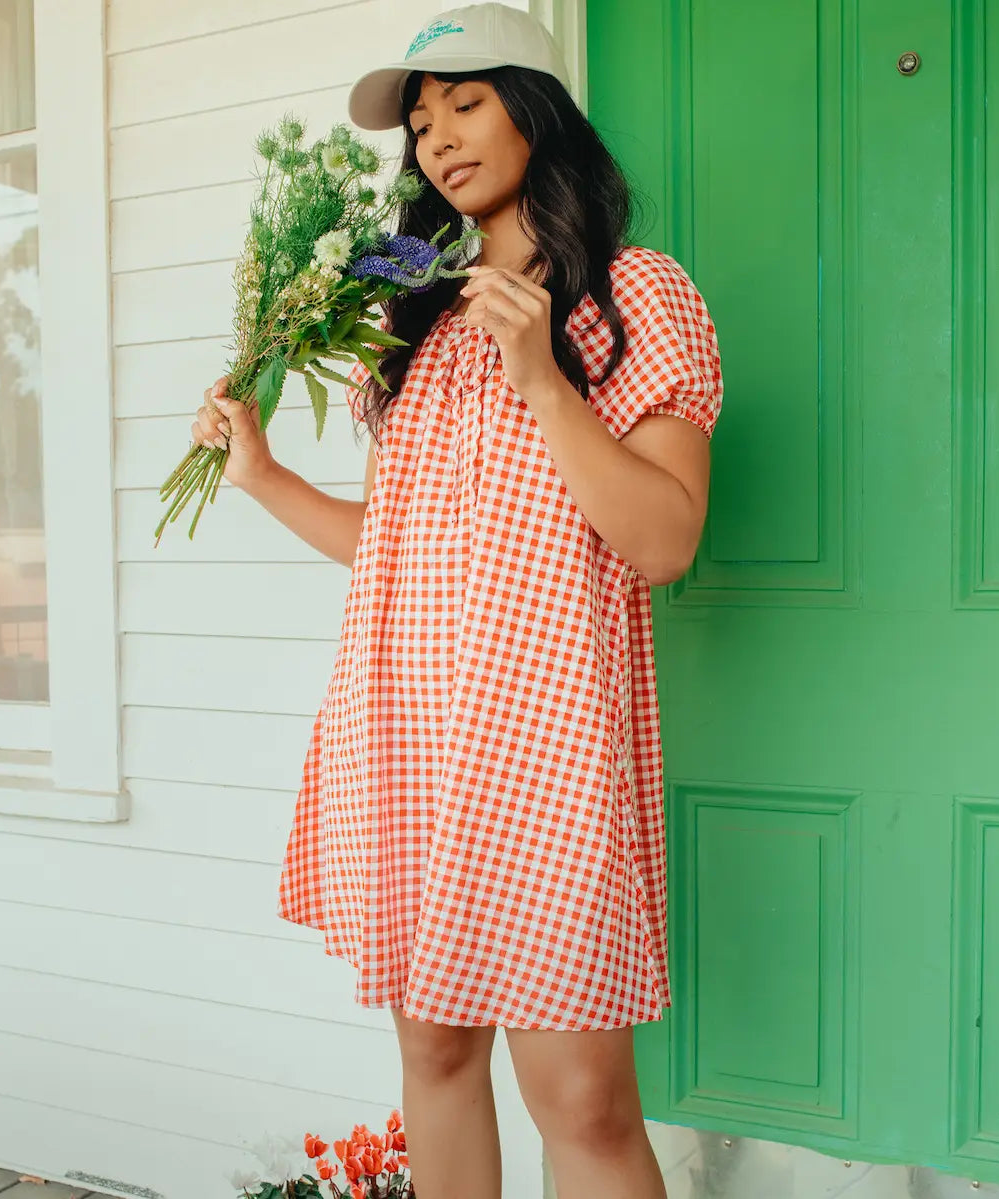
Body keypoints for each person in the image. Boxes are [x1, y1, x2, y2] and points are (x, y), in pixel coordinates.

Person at [192, 5, 722, 1196]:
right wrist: (265, 471)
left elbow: (666, 539)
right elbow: (398, 548)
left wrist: (541, 375)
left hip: (545, 737)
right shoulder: (407, 320)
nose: (436, 139)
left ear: (537, 112)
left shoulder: (638, 296)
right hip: (409, 725)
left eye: (466, 103)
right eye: (420, 123)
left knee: (581, 1101)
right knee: (432, 1050)